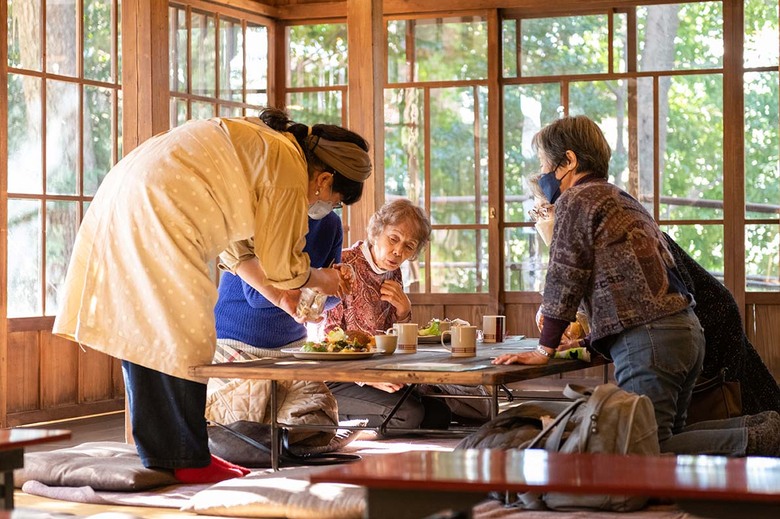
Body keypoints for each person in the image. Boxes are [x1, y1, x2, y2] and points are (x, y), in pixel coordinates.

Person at [52, 107, 372, 482]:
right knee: (185, 334)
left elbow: (239, 253)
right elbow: (283, 266)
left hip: (129, 195)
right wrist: (323, 280)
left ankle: (171, 455)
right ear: (324, 179)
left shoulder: (265, 145)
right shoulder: (287, 163)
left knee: (146, 333)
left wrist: (283, 297)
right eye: (335, 200)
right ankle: (186, 457)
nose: (326, 208)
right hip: (162, 207)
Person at [494, 115, 780, 457]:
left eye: (544, 164)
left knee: (641, 448)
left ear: (568, 161)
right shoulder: (621, 199)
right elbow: (635, 286)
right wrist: (585, 339)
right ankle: (760, 427)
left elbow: (564, 274)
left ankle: (762, 440)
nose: (541, 174)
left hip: (651, 340)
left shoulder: (576, 200)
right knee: (671, 434)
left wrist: (544, 349)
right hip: (685, 332)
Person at [206, 212, 344, 451]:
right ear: (323, 181)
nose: (333, 205)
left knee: (321, 418)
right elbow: (258, 297)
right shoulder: (273, 214)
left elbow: (327, 298)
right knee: (246, 421)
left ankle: (261, 442)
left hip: (291, 350)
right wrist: (318, 281)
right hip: (235, 344)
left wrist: (338, 286)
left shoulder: (331, 223)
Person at [324, 199, 453, 433]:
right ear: (376, 231)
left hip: (382, 371)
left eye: (408, 246)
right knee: (409, 415)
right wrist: (368, 379)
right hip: (340, 378)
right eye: (393, 239)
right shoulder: (343, 265)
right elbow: (327, 339)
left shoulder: (394, 272)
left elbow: (394, 340)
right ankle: (332, 418)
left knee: (439, 412)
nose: (398, 251)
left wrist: (404, 311)